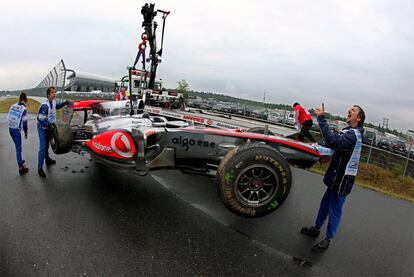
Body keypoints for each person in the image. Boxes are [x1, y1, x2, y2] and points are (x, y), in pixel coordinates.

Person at [300, 104, 365, 253]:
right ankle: (316, 228)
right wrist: (315, 146)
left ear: (359, 118)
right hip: (336, 177)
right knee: (325, 204)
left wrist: (321, 118)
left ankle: (328, 239)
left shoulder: (353, 134)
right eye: (349, 109)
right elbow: (333, 146)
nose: (349, 110)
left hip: (343, 181)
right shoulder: (349, 131)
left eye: (353, 110)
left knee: (335, 210)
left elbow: (333, 142)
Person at [37, 86, 70, 178]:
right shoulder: (45, 105)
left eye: (55, 92)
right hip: (42, 127)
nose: (54, 93)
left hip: (49, 126)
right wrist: (49, 125)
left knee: (47, 145)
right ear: (48, 95)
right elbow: (40, 119)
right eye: (52, 92)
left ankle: (47, 159)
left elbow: (57, 106)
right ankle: (39, 168)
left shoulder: (54, 102)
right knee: (43, 147)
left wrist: (64, 103)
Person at [7, 92, 29, 174]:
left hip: (10, 128)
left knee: (17, 147)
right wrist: (26, 132)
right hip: (16, 130)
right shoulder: (23, 109)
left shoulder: (14, 105)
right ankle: (21, 166)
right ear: (25, 99)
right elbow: (25, 122)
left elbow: (8, 115)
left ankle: (20, 161)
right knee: (18, 149)